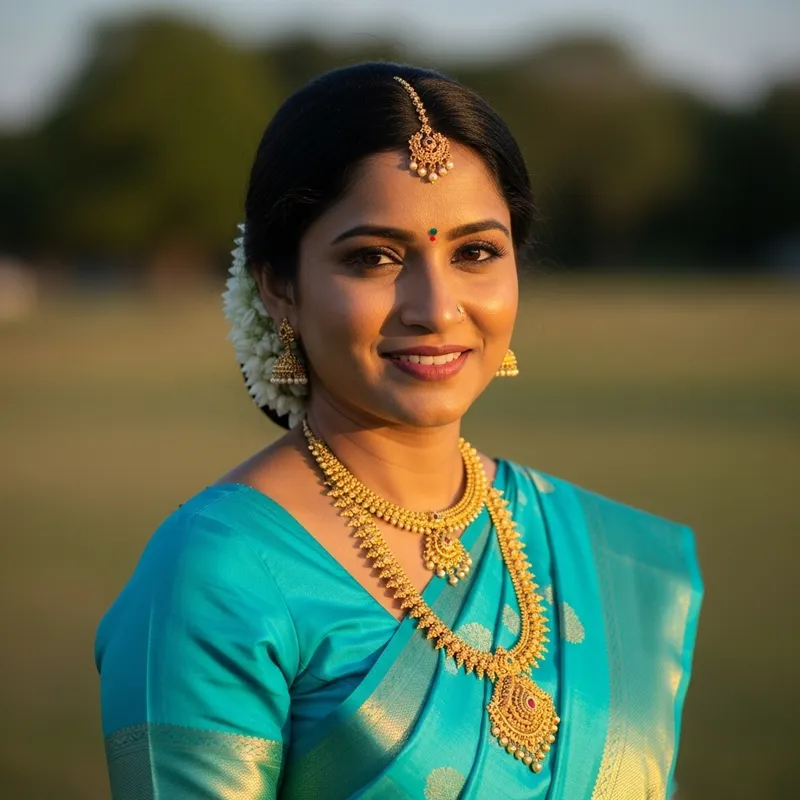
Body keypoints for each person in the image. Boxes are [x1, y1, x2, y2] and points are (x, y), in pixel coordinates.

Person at [95, 62, 703, 799]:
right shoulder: (217, 574)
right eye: (374, 258)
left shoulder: (602, 551)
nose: (436, 307)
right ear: (278, 286)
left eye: (475, 252)